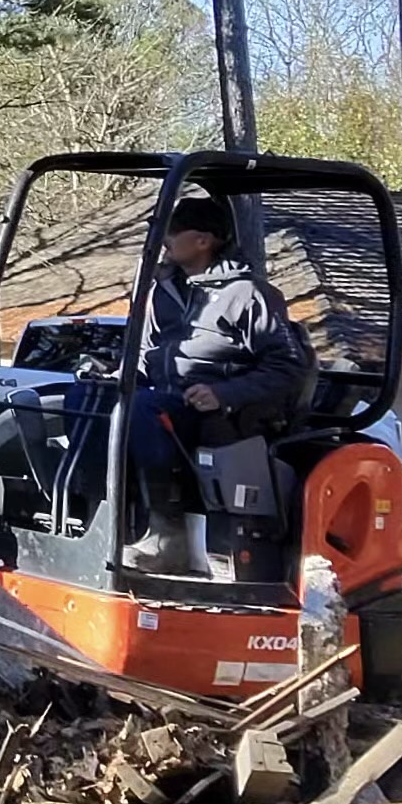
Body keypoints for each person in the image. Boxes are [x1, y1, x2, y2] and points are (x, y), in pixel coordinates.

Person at [126, 192, 310, 560]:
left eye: (171, 232)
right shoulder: (161, 292)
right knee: (87, 400)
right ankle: (95, 521)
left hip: (221, 413)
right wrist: (116, 376)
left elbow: (289, 367)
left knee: (141, 410)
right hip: (167, 400)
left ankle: (168, 533)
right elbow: (147, 354)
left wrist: (224, 394)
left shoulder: (248, 295)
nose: (163, 241)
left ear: (203, 241)